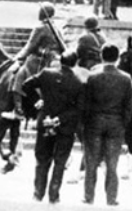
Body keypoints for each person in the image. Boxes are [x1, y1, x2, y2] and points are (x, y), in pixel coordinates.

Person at [23, 50, 85, 204]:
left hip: (45, 122)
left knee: (42, 159)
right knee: (60, 161)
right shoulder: (79, 82)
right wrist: (60, 119)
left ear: (61, 61)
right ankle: (54, 195)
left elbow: (26, 85)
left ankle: (38, 194)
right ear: (75, 63)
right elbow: (78, 109)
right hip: (65, 127)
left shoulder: (46, 74)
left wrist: (37, 100)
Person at [82, 44, 132, 206]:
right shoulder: (125, 78)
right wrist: (122, 123)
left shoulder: (92, 76)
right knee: (112, 164)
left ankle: (88, 196)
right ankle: (111, 198)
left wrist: (86, 123)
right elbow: (129, 106)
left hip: (95, 122)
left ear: (101, 57)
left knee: (91, 162)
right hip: (116, 123)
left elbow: (86, 103)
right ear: (117, 57)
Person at [9, 3, 64, 119]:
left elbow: (29, 46)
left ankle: (18, 108)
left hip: (40, 60)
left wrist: (17, 58)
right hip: (54, 59)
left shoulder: (40, 28)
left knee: (19, 74)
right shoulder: (55, 27)